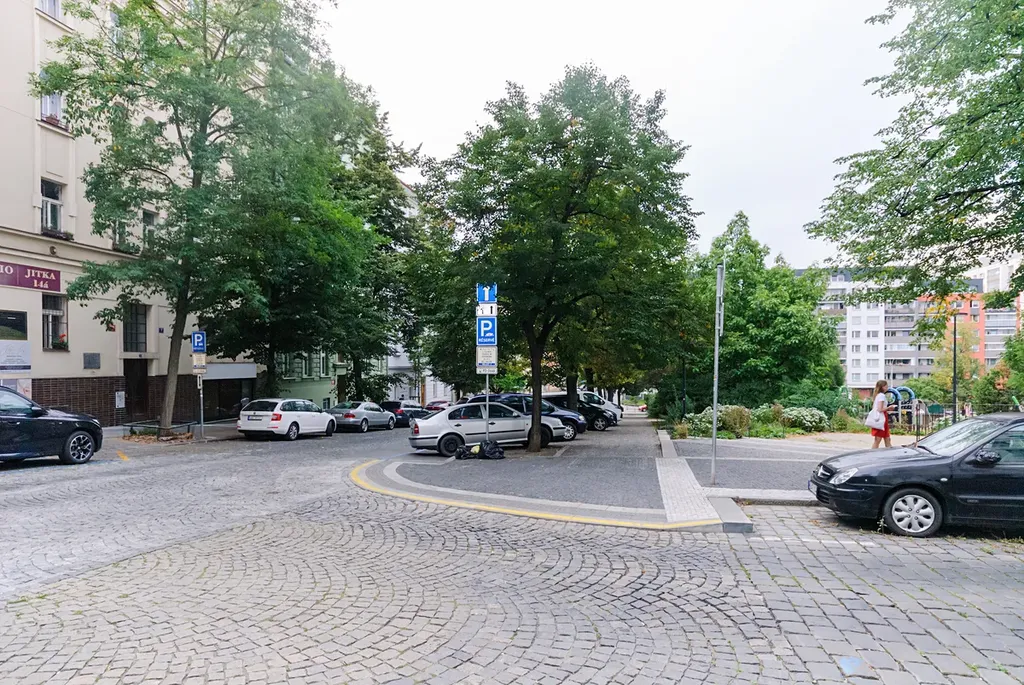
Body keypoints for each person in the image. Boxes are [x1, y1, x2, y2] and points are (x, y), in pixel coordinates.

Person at [870, 379, 894, 449]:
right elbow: (880, 409)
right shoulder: (881, 396)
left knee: (885, 438)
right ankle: (874, 453)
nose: (887, 387)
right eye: (886, 386)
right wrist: (889, 408)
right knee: (879, 439)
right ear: (883, 387)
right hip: (882, 419)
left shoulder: (877, 395)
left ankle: (889, 450)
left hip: (880, 418)